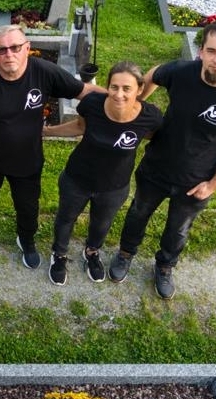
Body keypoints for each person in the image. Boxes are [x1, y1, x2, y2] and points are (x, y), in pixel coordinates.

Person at [107, 19, 216, 299]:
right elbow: (154, 74)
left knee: (178, 230)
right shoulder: (181, 72)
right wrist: (137, 105)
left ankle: (165, 266)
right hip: (156, 167)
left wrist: (214, 183)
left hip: (196, 181)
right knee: (137, 213)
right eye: (212, 51)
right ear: (200, 51)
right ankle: (125, 253)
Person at [0, 24, 102, 266]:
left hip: (27, 160)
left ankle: (26, 239)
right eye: (1, 50)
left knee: (28, 207)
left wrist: (123, 98)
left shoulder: (44, 72)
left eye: (15, 47)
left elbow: (83, 91)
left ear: (27, 48)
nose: (9, 54)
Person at [42, 62, 163, 286]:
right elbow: (79, 127)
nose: (119, 94)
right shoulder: (92, 104)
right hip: (77, 178)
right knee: (65, 219)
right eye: (114, 87)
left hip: (114, 186)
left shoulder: (150, 117)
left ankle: (91, 252)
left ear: (139, 90)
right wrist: (47, 131)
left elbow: (153, 137)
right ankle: (59, 255)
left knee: (101, 224)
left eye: (127, 88)